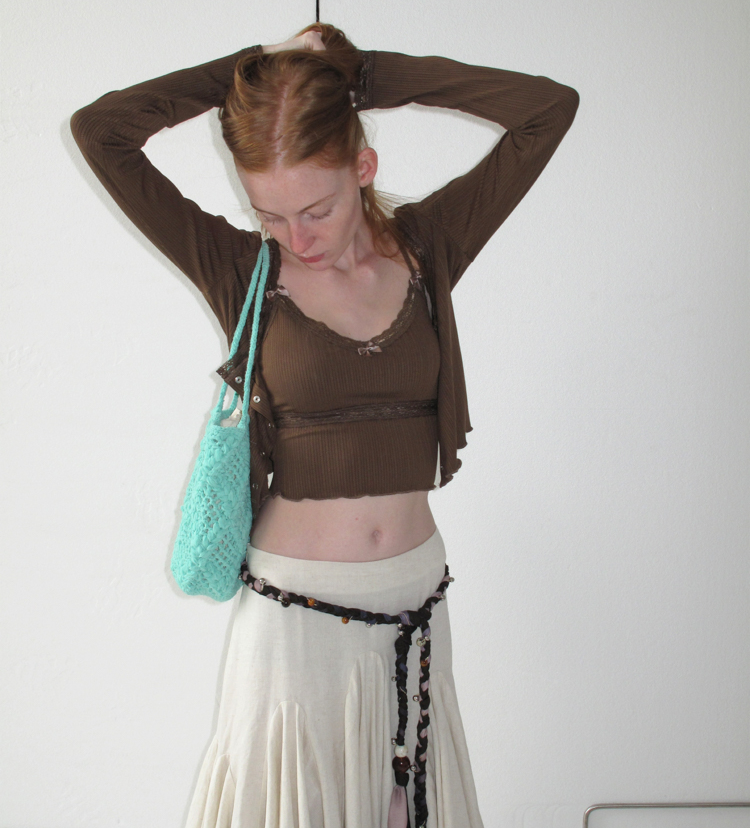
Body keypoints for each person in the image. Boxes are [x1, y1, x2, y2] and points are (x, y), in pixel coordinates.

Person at [71, 22, 578, 828]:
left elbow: (547, 109)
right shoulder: (241, 268)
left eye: (317, 209)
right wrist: (256, 76)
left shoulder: (429, 247)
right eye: (270, 215)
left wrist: (360, 76)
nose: (296, 239)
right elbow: (101, 130)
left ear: (362, 169)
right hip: (297, 613)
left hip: (416, 597)